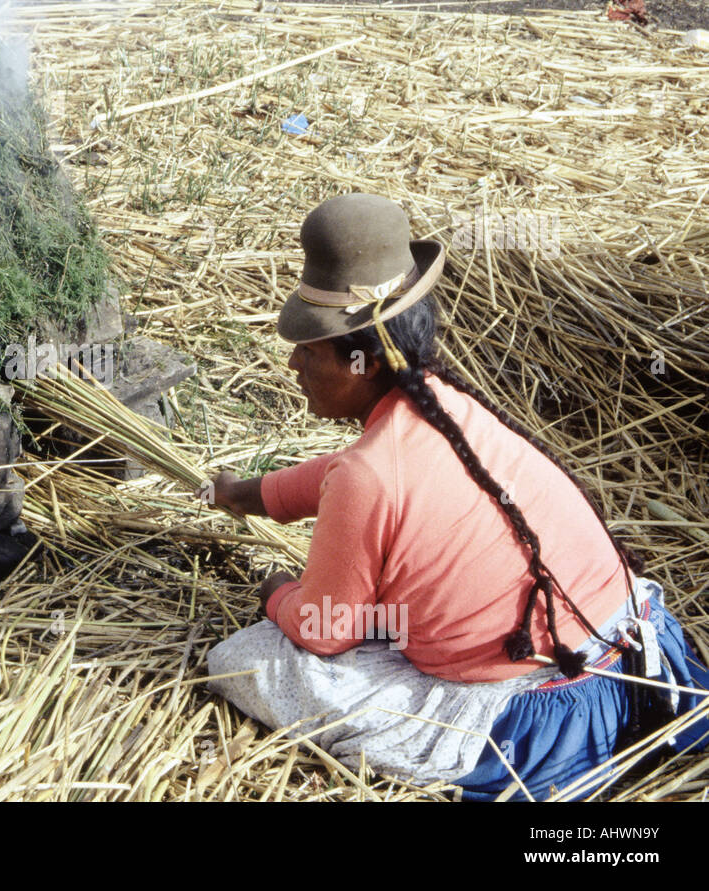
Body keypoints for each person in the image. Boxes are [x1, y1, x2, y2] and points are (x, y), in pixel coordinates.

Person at [201, 192, 709, 800]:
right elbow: (354, 472)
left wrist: (276, 594)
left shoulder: (370, 475)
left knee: (247, 659)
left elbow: (326, 631)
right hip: (639, 658)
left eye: (308, 351)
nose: (292, 365)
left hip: (538, 722)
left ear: (360, 362)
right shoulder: (445, 407)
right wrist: (249, 495)